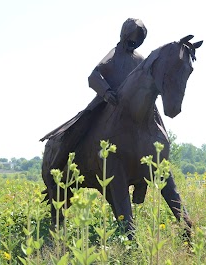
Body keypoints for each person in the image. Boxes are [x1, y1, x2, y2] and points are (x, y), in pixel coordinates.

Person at [40, 19, 149, 203]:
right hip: (108, 103)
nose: (133, 43)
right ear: (124, 35)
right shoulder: (114, 55)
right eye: (131, 39)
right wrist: (107, 92)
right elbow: (94, 75)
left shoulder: (140, 59)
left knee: (150, 135)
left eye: (136, 41)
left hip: (132, 109)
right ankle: (57, 167)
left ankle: (142, 181)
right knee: (78, 128)